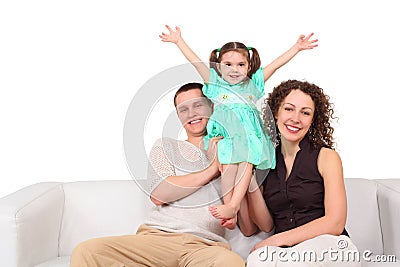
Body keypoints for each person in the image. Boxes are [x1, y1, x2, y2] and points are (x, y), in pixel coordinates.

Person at [159, 25, 319, 229]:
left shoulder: (253, 84)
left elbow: (275, 65)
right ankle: (230, 209)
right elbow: (195, 62)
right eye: (228, 64)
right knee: (227, 167)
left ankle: (234, 206)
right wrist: (179, 41)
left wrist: (296, 48)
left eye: (241, 64)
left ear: (248, 66)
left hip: (248, 137)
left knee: (246, 164)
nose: (234, 69)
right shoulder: (215, 84)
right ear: (219, 66)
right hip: (227, 138)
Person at [70, 82, 245, 267]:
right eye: (183, 109)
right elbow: (159, 194)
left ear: (212, 107)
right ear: (178, 116)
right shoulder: (166, 146)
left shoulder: (233, 151)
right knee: (87, 251)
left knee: (230, 262)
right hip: (156, 239)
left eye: (198, 105)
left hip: (204, 246)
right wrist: (211, 170)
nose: (191, 113)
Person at [239, 80, 360, 266]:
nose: (296, 118)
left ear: (313, 120)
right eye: (289, 109)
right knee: (257, 259)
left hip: (330, 245)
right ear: (276, 113)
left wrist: (277, 240)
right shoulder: (265, 162)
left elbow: (335, 223)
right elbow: (266, 225)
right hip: (289, 253)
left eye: (305, 113)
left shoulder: (326, 157)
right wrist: (250, 181)